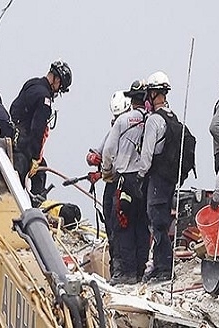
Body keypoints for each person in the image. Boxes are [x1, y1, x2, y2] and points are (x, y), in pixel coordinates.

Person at [101, 81, 148, 284]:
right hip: (144, 181)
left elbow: (108, 151)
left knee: (122, 224)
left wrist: (106, 171)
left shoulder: (123, 121)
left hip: (125, 179)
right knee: (141, 225)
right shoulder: (152, 120)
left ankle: (126, 273)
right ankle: (140, 270)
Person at [10, 60, 72, 198]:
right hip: (24, 144)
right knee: (40, 172)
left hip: (12, 135)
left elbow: (13, 109)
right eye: (59, 87)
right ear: (56, 80)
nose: (57, 91)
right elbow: (37, 130)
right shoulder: (45, 99)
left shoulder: (31, 83)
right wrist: (35, 158)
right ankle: (37, 204)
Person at [138, 71, 178, 282]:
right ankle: (162, 264)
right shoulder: (172, 117)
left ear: (154, 93)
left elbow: (147, 154)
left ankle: (163, 268)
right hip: (170, 179)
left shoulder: (154, 120)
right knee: (162, 221)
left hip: (157, 179)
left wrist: (140, 175)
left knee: (157, 222)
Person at [94, 88, 132, 277]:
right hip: (113, 183)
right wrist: (95, 160)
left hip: (124, 183)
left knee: (121, 225)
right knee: (111, 222)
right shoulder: (115, 129)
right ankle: (116, 267)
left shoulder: (134, 126)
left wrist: (105, 169)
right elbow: (100, 152)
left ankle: (122, 268)